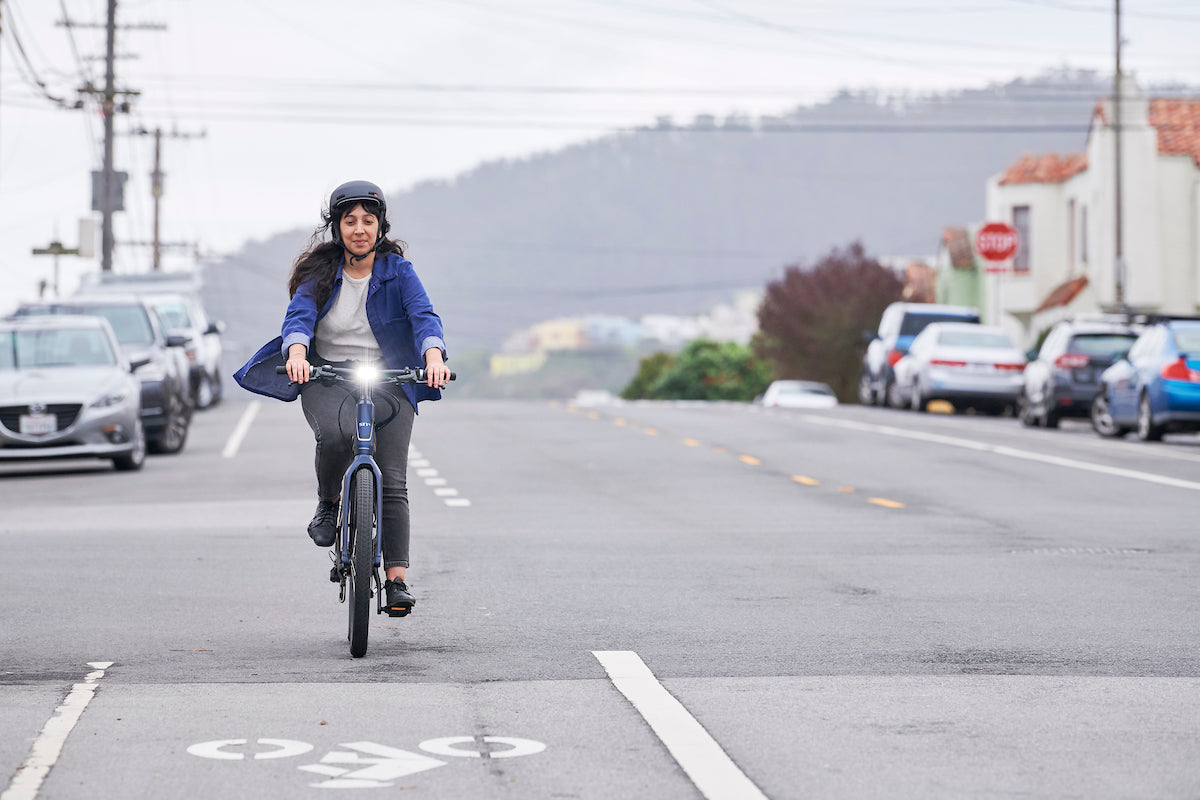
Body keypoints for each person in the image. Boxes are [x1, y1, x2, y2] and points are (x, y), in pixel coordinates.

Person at [233, 180, 450, 616]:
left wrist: (433, 357)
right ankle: (329, 502)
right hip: (327, 376)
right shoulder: (320, 272)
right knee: (334, 437)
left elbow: (424, 316)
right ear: (338, 228)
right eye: (350, 221)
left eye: (368, 221)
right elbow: (299, 317)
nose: (359, 229)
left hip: (388, 377)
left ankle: (396, 581)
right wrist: (297, 355)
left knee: (393, 480)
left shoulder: (398, 272)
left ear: (380, 227)